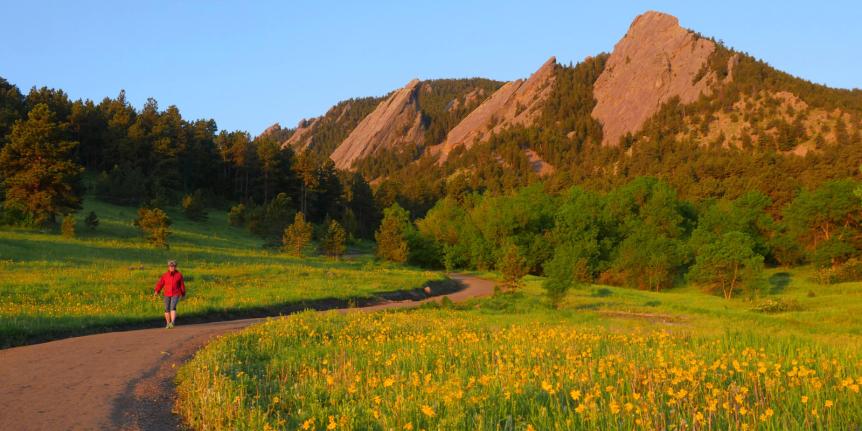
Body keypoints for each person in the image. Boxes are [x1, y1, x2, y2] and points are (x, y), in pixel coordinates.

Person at [154, 260, 186, 328]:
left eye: (173, 266)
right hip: (167, 294)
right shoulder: (165, 275)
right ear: (168, 267)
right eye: (170, 266)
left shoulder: (179, 275)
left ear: (175, 267)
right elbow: (160, 283)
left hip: (176, 293)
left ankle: (173, 322)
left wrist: (183, 294)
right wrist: (157, 291)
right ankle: (168, 323)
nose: (172, 267)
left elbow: (182, 285)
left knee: (172, 307)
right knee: (166, 308)